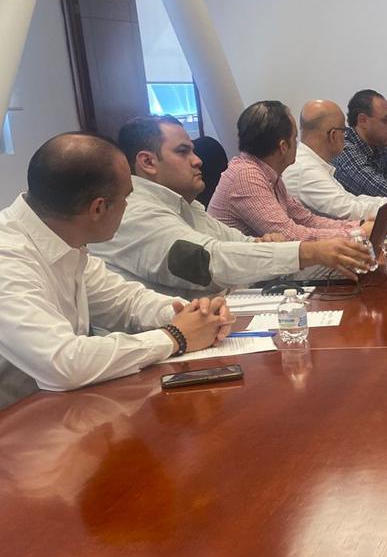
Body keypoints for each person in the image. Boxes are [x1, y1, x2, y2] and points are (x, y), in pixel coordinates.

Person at [0, 133, 232, 408]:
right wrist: (175, 337)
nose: (127, 206)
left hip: (56, 409)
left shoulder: (64, 239)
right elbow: (62, 363)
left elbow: (126, 302)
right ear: (99, 208)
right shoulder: (8, 257)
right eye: (126, 197)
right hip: (17, 421)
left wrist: (193, 314)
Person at [91, 115, 371, 294]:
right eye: (183, 152)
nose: (197, 160)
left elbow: (235, 242)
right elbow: (210, 261)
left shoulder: (185, 204)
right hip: (163, 344)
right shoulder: (136, 213)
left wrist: (263, 245)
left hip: (212, 317)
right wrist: (309, 251)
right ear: (147, 162)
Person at [209, 101, 373, 242]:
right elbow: (289, 235)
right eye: (295, 138)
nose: (298, 144)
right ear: (283, 146)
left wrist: (358, 226)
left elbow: (307, 220)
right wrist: (357, 233)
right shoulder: (246, 176)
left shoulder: (268, 174)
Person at [284, 100, 387, 221]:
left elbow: (353, 200)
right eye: (344, 131)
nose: (346, 136)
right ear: (334, 135)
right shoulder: (306, 170)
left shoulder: (313, 163)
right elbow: (349, 210)